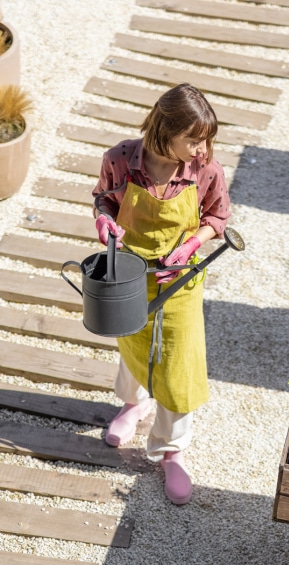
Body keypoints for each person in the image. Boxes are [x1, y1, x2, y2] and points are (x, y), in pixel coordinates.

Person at [91, 83, 231, 506]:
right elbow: (103, 201)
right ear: (163, 131)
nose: (202, 148)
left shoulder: (206, 171)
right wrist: (102, 222)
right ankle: (132, 406)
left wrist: (193, 244)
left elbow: (218, 216)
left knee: (178, 365)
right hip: (129, 272)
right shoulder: (120, 159)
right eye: (193, 139)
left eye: (206, 139)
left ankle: (172, 450)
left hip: (179, 280)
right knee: (132, 343)